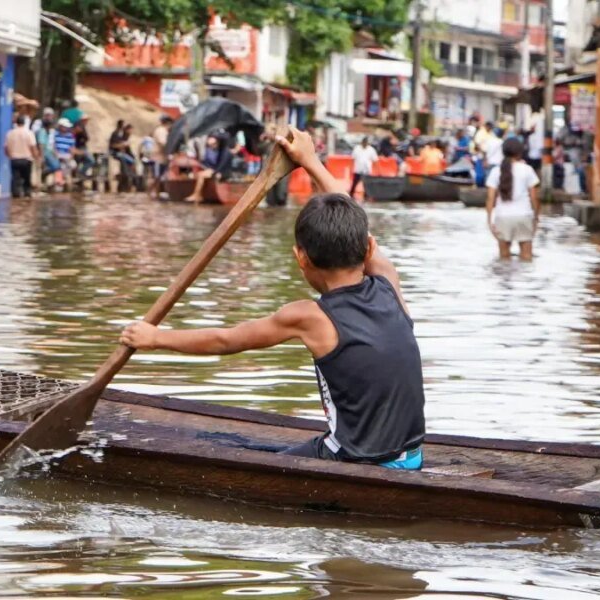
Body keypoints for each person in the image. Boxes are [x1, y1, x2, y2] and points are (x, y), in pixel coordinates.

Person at [121, 127, 425, 469]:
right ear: (368, 247)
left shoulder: (310, 317)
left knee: (238, 466)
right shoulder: (387, 280)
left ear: (301, 258)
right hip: (411, 457)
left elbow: (225, 340)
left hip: (358, 462)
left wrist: (156, 338)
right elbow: (353, 214)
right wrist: (310, 161)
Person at [485, 138, 540, 261]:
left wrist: (489, 220)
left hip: (503, 217)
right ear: (520, 153)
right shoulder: (528, 170)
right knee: (526, 258)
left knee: (504, 259)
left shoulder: (495, 171)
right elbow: (534, 198)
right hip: (524, 216)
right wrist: (536, 218)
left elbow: (490, 198)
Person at [184, 134, 232, 203]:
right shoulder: (213, 150)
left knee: (201, 175)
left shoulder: (225, 152)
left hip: (222, 172)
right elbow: (209, 163)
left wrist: (215, 172)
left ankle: (197, 195)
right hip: (214, 170)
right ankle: (197, 194)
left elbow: (222, 165)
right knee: (198, 174)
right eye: (211, 145)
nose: (212, 146)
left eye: (214, 144)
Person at [4, 114, 38, 198]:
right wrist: (36, 156)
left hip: (14, 159)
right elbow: (33, 147)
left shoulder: (10, 133)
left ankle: (15, 196)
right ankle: (27, 194)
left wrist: (10, 156)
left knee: (15, 179)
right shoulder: (29, 133)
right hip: (26, 159)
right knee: (26, 179)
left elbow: (6, 147)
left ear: (16, 122)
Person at [34, 110, 60, 186]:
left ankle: (45, 174)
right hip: (45, 152)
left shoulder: (49, 132)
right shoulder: (42, 132)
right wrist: (41, 156)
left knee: (56, 166)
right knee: (56, 166)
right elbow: (41, 144)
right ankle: (44, 173)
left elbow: (53, 143)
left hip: (49, 151)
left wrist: (55, 152)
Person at [53, 118, 76, 186]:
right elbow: (53, 146)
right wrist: (57, 155)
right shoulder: (55, 134)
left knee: (73, 165)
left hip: (67, 155)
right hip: (58, 155)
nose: (66, 128)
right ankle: (61, 181)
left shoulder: (70, 136)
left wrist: (71, 157)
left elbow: (72, 149)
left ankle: (62, 179)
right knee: (61, 166)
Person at [151, 115, 172, 186]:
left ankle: (155, 193)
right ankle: (151, 192)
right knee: (157, 177)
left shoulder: (165, 131)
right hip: (158, 158)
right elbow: (163, 143)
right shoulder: (161, 130)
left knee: (159, 177)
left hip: (163, 158)